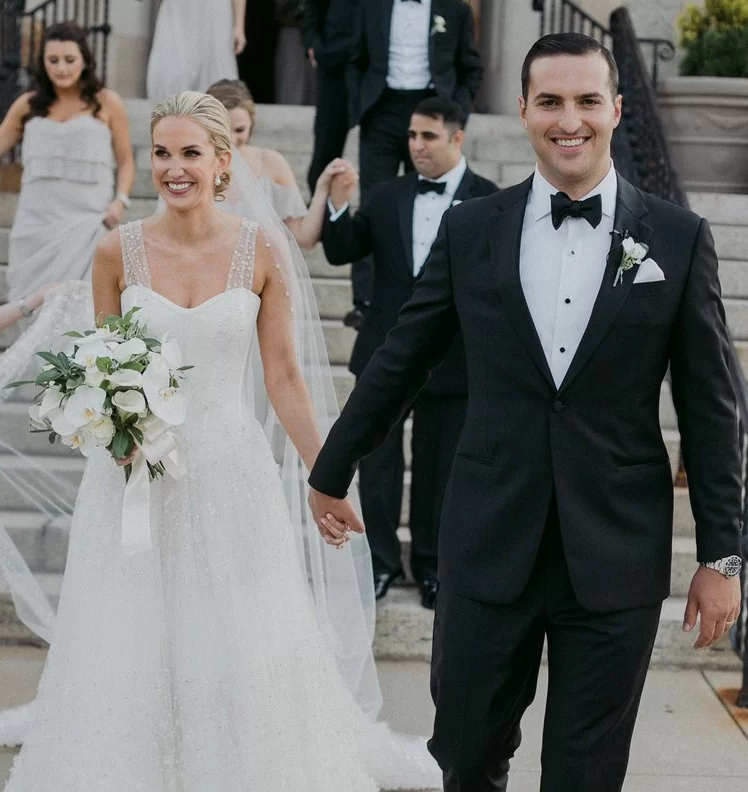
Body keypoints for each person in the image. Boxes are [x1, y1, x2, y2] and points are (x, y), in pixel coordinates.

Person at [0, 91, 440, 790]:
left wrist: (325, 477)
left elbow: (284, 381)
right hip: (133, 479)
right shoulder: (114, 251)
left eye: (191, 153)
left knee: (238, 632)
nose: (174, 168)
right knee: (131, 630)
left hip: (229, 470)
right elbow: (102, 364)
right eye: (162, 153)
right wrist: (109, 427)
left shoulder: (261, 249)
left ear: (223, 162)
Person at [308, 33, 743, 791]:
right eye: (550, 101)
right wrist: (332, 467)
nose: (567, 119)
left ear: (613, 108)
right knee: (464, 760)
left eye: (585, 101)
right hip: (486, 540)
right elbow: (402, 357)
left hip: (614, 553)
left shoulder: (678, 238)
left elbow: (712, 411)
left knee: (586, 774)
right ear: (522, 111)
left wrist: (723, 554)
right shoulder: (473, 228)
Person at [321, 97, 497, 609]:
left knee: (440, 471)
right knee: (375, 467)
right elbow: (341, 250)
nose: (416, 146)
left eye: (429, 137)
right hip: (385, 356)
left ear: (457, 138)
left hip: (456, 361)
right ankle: (378, 562)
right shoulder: (387, 194)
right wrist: (337, 205)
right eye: (413, 137)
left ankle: (432, 566)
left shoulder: (491, 200)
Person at [0, 22, 134, 302]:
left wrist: (120, 200)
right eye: (53, 60)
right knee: (33, 305)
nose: (61, 68)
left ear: (85, 61)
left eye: (69, 60)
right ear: (42, 63)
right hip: (36, 223)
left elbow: (125, 161)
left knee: (82, 305)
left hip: (85, 222)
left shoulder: (107, 102)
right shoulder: (27, 105)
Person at [342, 0, 483, 329]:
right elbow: (356, 60)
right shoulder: (370, 7)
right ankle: (365, 300)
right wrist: (359, 102)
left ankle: (424, 294)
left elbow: (471, 67)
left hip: (432, 108)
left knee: (427, 201)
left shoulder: (456, 10)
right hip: (382, 109)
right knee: (374, 203)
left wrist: (456, 113)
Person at [203, 79, 350, 247]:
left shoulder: (270, 163)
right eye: (223, 129)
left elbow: (303, 237)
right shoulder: (192, 166)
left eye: (240, 130)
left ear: (251, 125)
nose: (231, 139)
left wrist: (322, 188)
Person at [303, 0, 359, 194]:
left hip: (381, 62)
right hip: (334, 58)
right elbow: (312, 8)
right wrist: (313, 42)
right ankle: (319, 209)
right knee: (326, 145)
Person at [146, 0, 246, 100]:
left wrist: (239, 26)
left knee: (215, 67)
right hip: (178, 9)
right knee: (169, 67)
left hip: (214, 11)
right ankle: (170, 109)